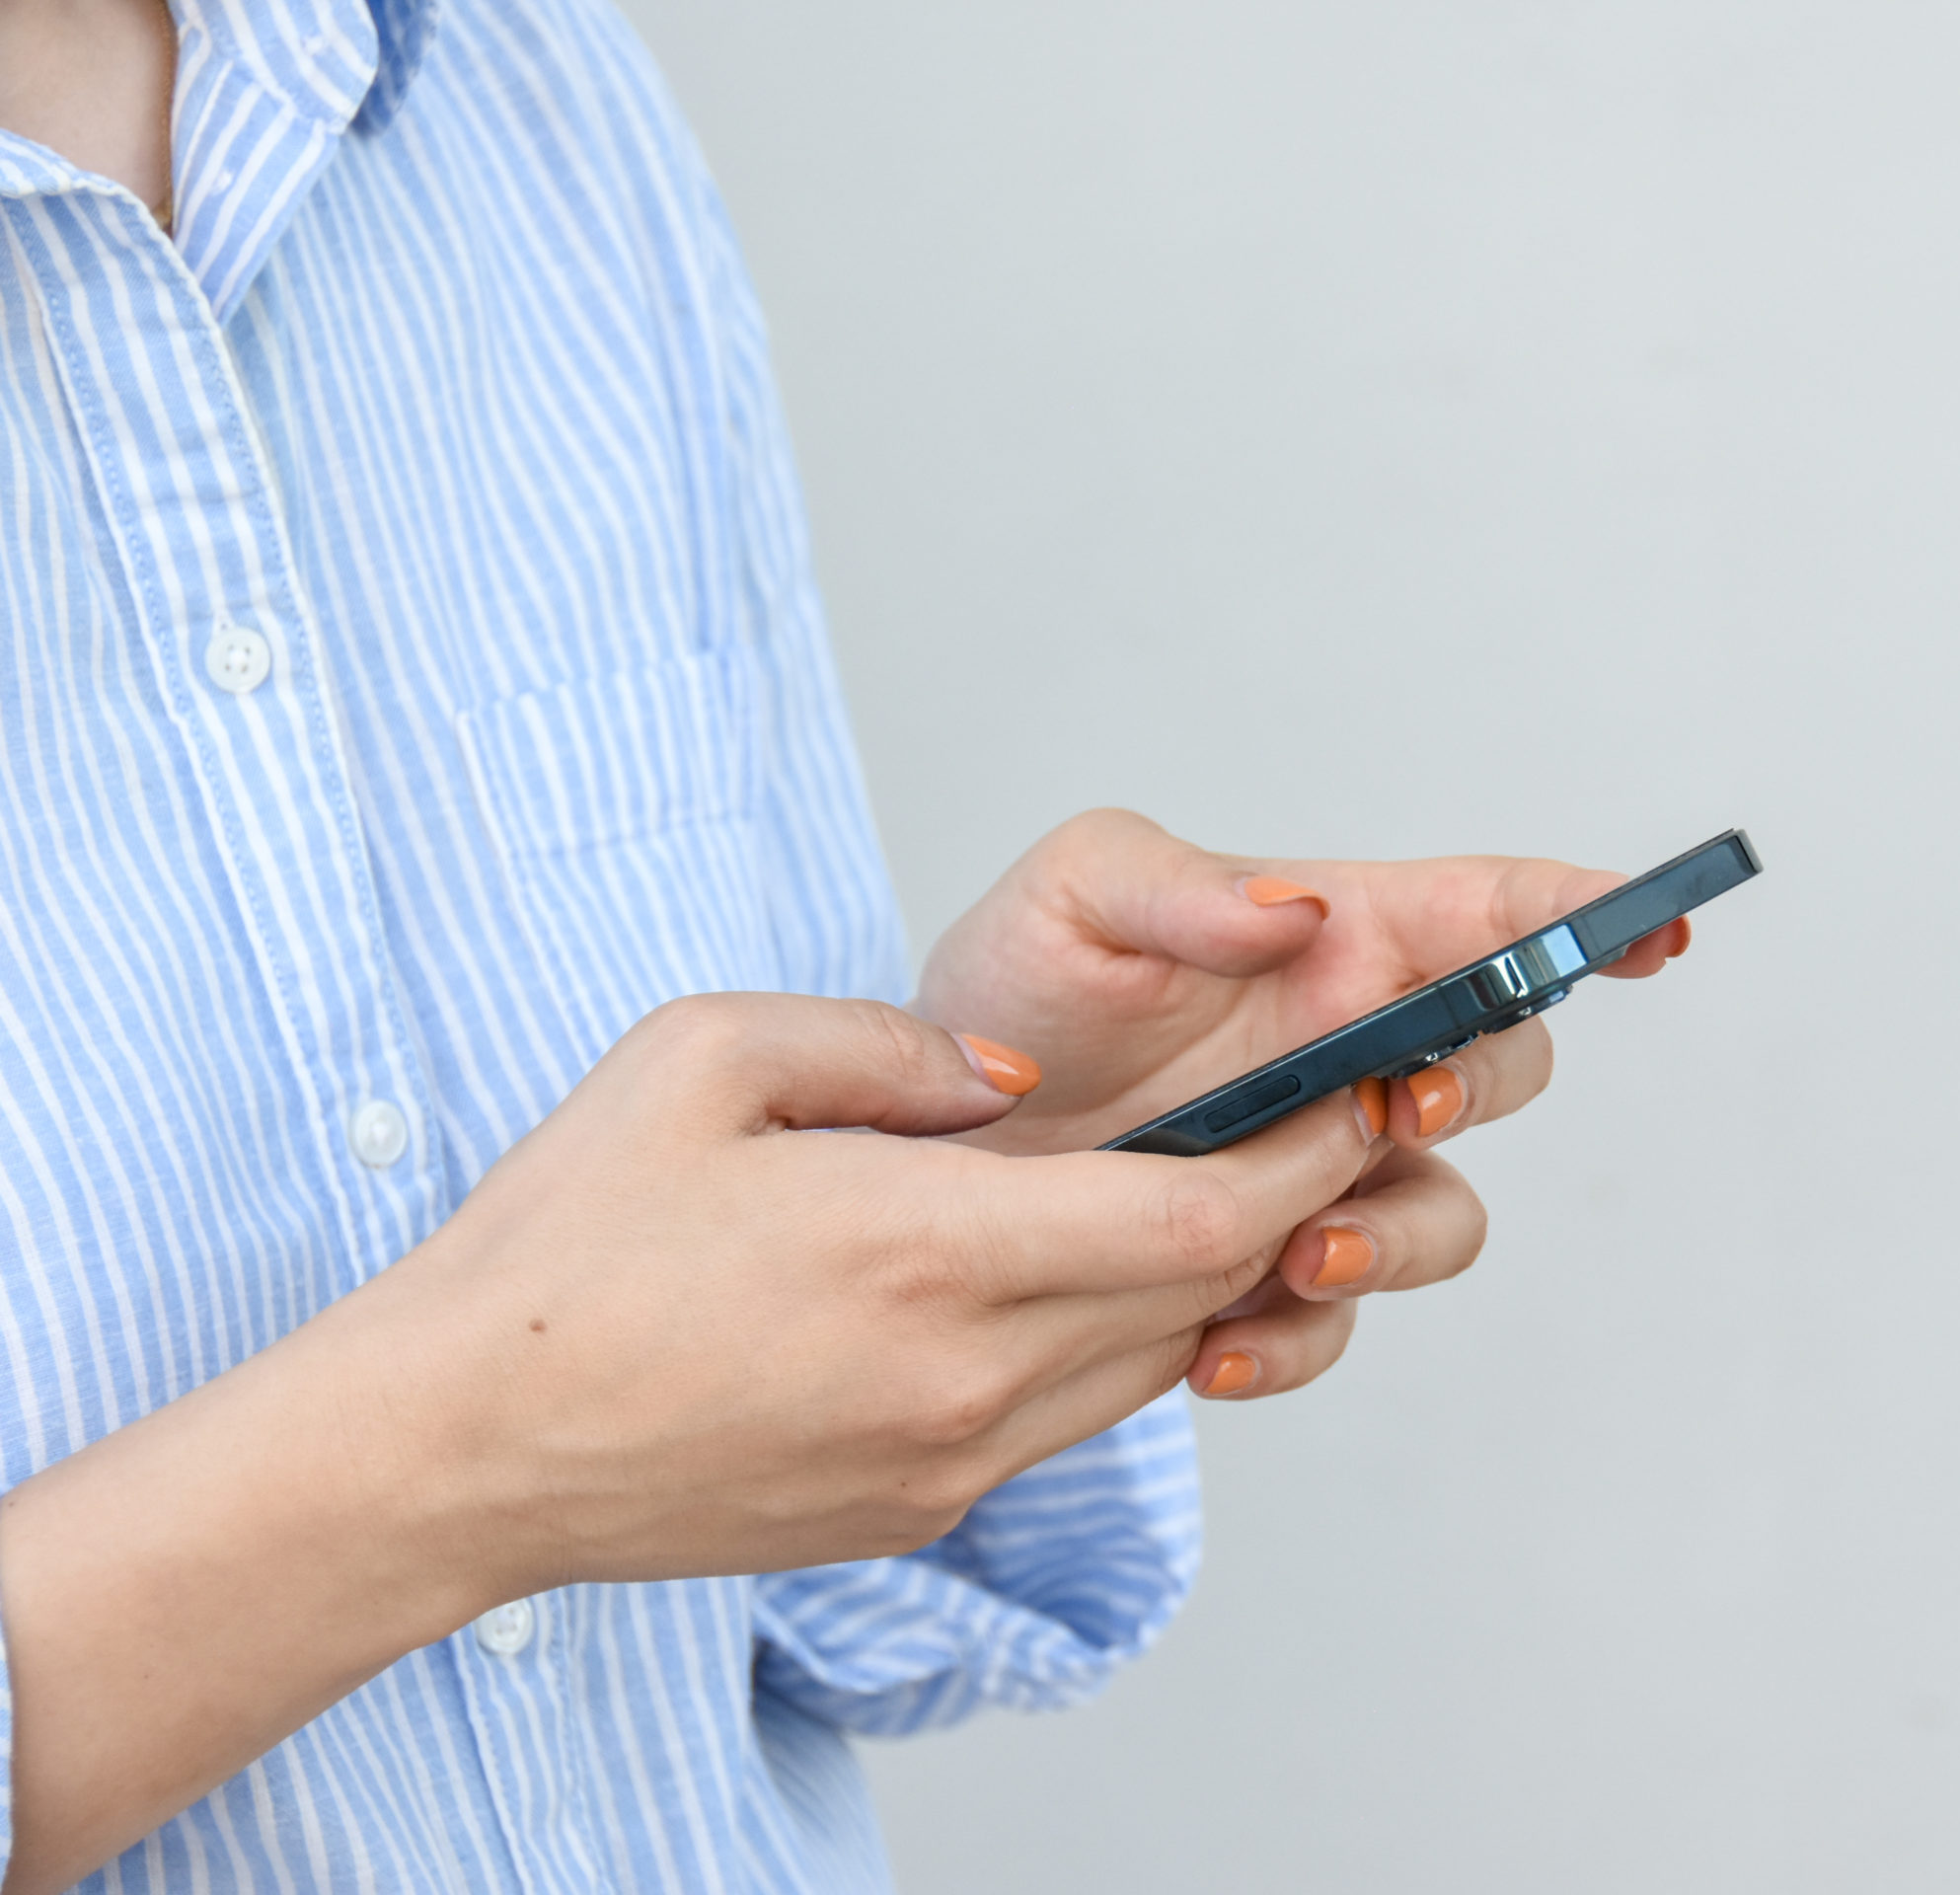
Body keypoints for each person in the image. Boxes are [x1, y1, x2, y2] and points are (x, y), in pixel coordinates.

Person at [0, 1, 1696, 1888]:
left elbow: (761, 1619)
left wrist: (984, 1186)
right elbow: (532, 1430)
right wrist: (468, 1456)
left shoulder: (514, 80)